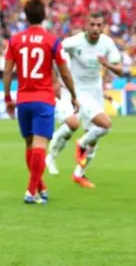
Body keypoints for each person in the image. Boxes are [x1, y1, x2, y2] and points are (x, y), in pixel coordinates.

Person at [3, 0, 78, 204]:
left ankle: (40, 186)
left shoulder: (15, 40)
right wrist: (73, 95)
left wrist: (8, 97)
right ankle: (30, 190)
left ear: (26, 16)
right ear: (44, 15)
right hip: (43, 99)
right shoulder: (52, 41)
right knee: (39, 145)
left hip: (24, 99)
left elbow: (8, 71)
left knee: (30, 144)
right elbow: (64, 72)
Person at [61, 12, 123, 188]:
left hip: (95, 91)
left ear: (103, 27)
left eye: (99, 25)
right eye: (92, 24)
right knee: (105, 124)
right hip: (79, 91)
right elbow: (56, 49)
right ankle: (80, 143)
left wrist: (107, 64)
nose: (95, 28)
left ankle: (78, 174)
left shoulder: (107, 43)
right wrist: (57, 77)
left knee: (94, 138)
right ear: (86, 25)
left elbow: (119, 70)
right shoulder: (75, 41)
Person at [45, 51, 80, 176]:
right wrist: (54, 83)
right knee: (73, 124)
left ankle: (51, 157)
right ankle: (53, 140)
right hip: (62, 93)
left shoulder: (83, 54)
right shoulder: (62, 52)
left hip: (76, 92)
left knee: (69, 133)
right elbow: (50, 64)